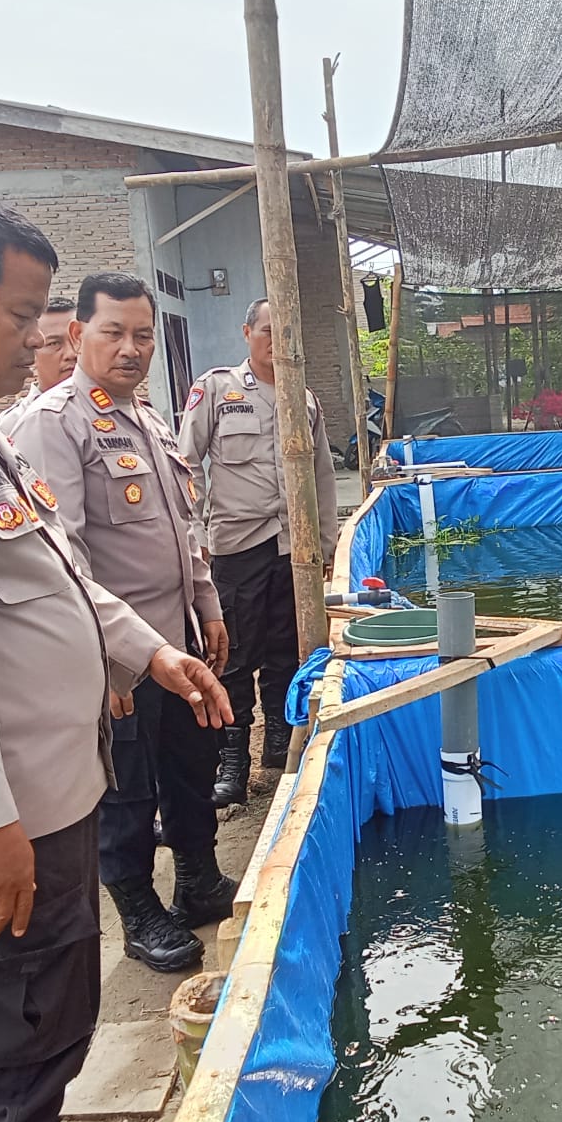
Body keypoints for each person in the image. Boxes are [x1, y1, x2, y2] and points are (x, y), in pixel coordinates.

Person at [0, 194, 231, 1122]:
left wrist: (151, 653)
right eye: (23, 318)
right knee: (22, 1002)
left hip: (40, 790)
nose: (38, 339)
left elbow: (59, 571)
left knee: (50, 991)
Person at [15, 273, 236, 975]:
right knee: (127, 788)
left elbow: (182, 528)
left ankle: (198, 881)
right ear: (79, 335)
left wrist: (207, 605)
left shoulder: (147, 418)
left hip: (178, 640)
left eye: (143, 334)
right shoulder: (56, 424)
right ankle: (139, 911)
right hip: (118, 657)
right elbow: (63, 559)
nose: (132, 347)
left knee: (190, 763)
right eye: (115, 331)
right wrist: (108, 664)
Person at [177, 297, 339, 805]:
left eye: (286, 332)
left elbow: (322, 478)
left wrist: (327, 542)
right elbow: (185, 466)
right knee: (232, 652)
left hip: (293, 549)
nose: (276, 340)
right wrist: (194, 539)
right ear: (247, 332)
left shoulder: (304, 399)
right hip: (236, 547)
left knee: (284, 648)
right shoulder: (219, 390)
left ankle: (276, 745)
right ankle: (232, 759)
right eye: (267, 330)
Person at [0, 295, 77, 434]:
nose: (72, 353)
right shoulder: (12, 426)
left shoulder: (116, 412)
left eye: (77, 340)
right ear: (33, 352)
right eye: (54, 343)